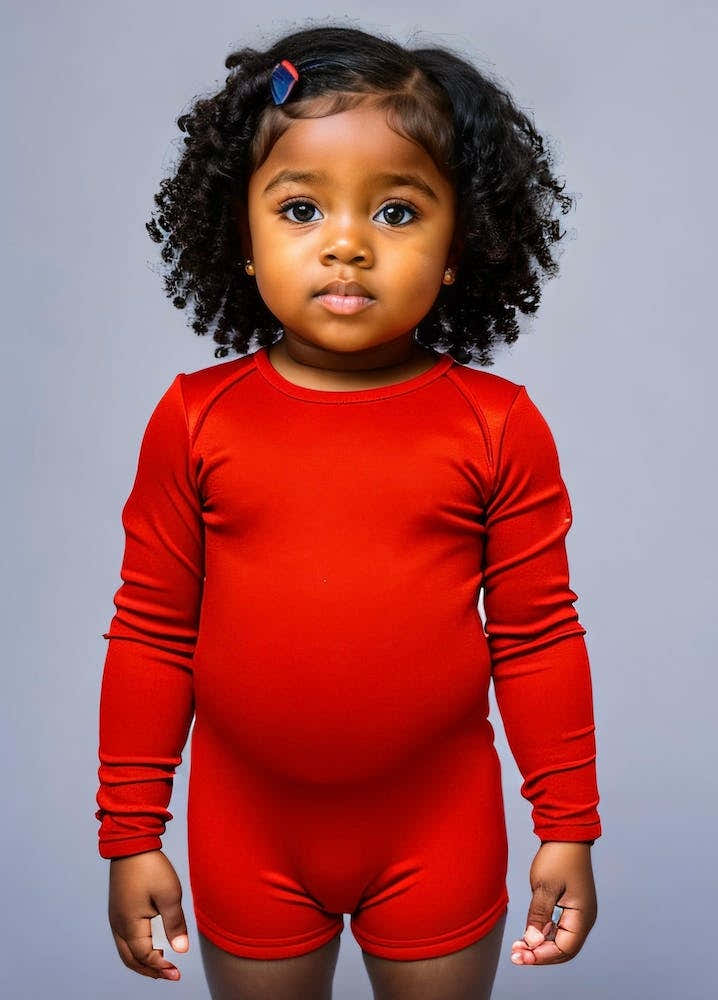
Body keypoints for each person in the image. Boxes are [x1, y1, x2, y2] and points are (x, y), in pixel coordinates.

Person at [95, 21, 602, 1000]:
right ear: (241, 235)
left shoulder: (496, 427)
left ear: (462, 245)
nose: (346, 242)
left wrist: (567, 822)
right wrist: (131, 832)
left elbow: (537, 637)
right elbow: (153, 634)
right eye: (299, 206)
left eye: (399, 213)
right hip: (249, 828)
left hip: (437, 823)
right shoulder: (195, 421)